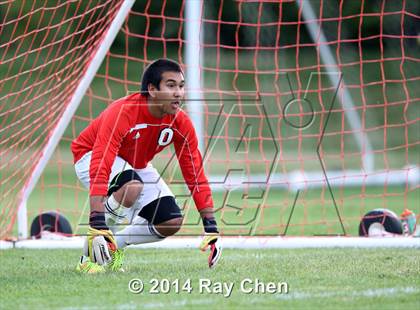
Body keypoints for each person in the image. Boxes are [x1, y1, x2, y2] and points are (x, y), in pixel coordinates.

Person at [71, 58, 221, 273]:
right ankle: (89, 258)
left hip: (134, 166)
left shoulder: (181, 123)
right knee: (131, 186)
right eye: (171, 86)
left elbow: (194, 172)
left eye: (181, 86)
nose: (179, 92)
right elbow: (101, 162)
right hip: (89, 156)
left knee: (170, 221)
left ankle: (114, 247)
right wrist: (96, 220)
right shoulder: (123, 111)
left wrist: (211, 226)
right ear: (152, 89)